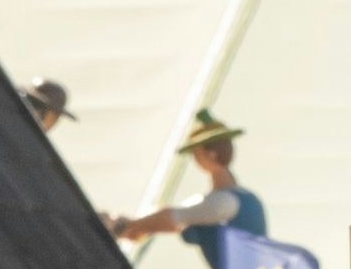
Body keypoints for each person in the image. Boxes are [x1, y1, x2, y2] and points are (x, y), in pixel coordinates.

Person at [112, 112, 314, 267]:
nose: (195, 159)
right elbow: (174, 216)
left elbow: (173, 218)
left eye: (196, 153)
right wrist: (136, 226)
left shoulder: (224, 202)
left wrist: (131, 227)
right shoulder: (239, 199)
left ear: (211, 155)